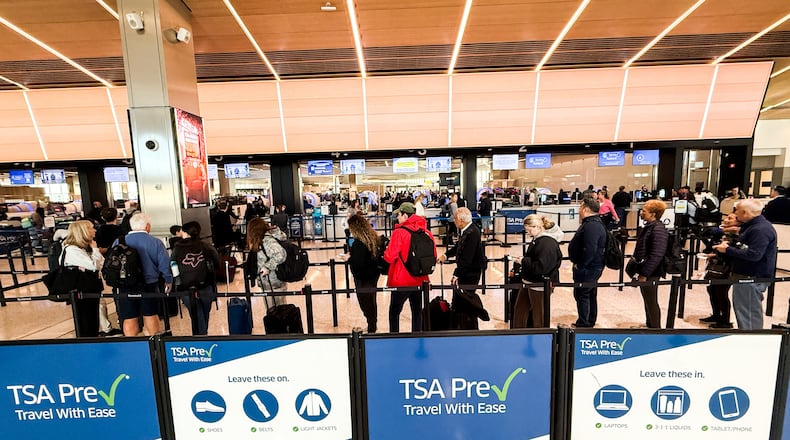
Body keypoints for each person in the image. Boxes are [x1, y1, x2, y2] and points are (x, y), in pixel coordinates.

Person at [713, 199, 777, 330]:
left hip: (751, 277)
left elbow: (754, 255)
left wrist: (727, 250)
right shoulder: (753, 227)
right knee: (744, 311)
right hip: (746, 275)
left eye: (737, 211)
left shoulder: (760, 229)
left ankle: (752, 341)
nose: (735, 214)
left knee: (748, 313)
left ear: (744, 212)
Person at [116, 212, 172, 336]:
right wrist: (168, 280)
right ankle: (154, 343)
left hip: (125, 284)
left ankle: (132, 345)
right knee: (150, 314)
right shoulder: (155, 242)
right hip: (149, 283)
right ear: (147, 226)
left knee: (129, 316)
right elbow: (164, 265)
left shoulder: (119, 241)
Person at [383, 202, 436, 333]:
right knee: (417, 310)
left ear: (405, 215)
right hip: (420, 278)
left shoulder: (399, 232)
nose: (398, 218)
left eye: (399, 215)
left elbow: (390, 256)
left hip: (401, 280)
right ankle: (416, 336)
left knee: (394, 311)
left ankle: (394, 337)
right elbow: (433, 254)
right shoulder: (426, 232)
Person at [171, 221, 220, 335]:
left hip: (185, 287)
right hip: (205, 285)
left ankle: (199, 337)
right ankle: (203, 335)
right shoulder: (205, 246)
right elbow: (217, 263)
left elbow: (172, 265)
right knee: (205, 312)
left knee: (195, 314)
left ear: (186, 233)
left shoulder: (177, 248)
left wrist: (176, 282)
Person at [513, 215, 563, 328]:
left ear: (536, 226)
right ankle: (517, 334)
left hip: (540, 284)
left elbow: (542, 267)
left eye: (529, 230)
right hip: (529, 281)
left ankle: (541, 338)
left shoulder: (547, 243)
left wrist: (523, 261)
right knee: (520, 310)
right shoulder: (538, 240)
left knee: (539, 315)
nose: (528, 233)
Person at [567, 197, 606, 328]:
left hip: (589, 268)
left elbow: (590, 248)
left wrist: (581, 264)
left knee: (583, 294)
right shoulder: (593, 223)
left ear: (585, 208)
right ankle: (588, 319)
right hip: (592, 266)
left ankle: (584, 323)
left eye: (580, 207)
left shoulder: (591, 225)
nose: (579, 210)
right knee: (589, 293)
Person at [61, 220, 104, 337]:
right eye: (91, 228)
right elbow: (94, 266)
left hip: (90, 287)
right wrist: (95, 250)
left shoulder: (83, 248)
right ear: (83, 231)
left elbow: (101, 262)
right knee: (86, 318)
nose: (94, 230)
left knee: (92, 317)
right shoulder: (72, 250)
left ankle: (92, 337)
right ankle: (88, 341)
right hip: (82, 289)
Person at [630, 200, 669, 329]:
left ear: (653, 214)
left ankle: (655, 328)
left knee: (651, 301)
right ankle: (650, 324)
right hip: (647, 269)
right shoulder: (650, 227)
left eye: (644, 211)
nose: (641, 213)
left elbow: (656, 254)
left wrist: (644, 273)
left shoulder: (658, 229)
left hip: (652, 272)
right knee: (647, 299)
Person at [700, 213, 740, 329]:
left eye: (730, 218)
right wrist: (723, 229)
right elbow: (705, 233)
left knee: (721, 293)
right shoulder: (723, 232)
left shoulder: (738, 234)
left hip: (728, 268)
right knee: (712, 289)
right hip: (716, 265)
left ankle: (725, 321)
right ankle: (716, 315)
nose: (726, 220)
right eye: (726, 217)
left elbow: (735, 251)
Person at [439, 206, 484, 296]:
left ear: (462, 220)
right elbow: (458, 246)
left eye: (455, 219)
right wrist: (446, 255)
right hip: (465, 271)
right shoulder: (467, 230)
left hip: (470, 274)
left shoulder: (472, 233)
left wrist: (457, 274)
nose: (454, 221)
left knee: (465, 299)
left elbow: (467, 257)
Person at [347, 214, 381, 333]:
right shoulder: (373, 238)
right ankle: (372, 324)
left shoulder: (358, 243)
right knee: (371, 300)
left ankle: (371, 325)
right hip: (373, 274)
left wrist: (349, 259)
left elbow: (358, 263)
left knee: (365, 302)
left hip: (363, 277)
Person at [247, 217, 288, 307]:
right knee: (279, 311)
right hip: (272, 282)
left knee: (276, 312)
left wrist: (267, 267)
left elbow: (280, 254)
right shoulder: (266, 238)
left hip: (272, 282)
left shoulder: (267, 240)